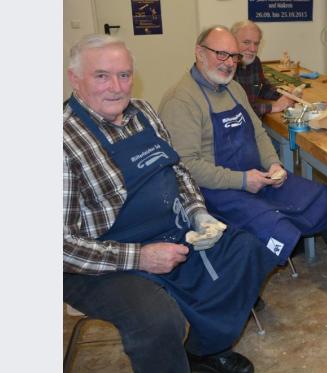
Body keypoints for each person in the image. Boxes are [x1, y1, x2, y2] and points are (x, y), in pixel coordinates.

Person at [64, 35, 275, 373]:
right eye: (101, 76)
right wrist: (141, 257)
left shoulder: (144, 113)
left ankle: (204, 349)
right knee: (159, 321)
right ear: (75, 79)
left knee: (248, 249)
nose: (117, 87)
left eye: (125, 75)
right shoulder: (62, 140)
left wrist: (197, 212)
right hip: (100, 262)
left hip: (171, 233)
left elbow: (178, 171)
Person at [159, 26, 327, 295]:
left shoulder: (233, 88)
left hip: (258, 178)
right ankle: (239, 296)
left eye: (234, 57)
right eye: (222, 54)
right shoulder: (181, 100)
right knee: (276, 229)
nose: (229, 63)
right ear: (199, 52)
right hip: (218, 192)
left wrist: (274, 164)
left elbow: (259, 133)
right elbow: (186, 166)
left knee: (324, 198)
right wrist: (241, 180)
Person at [231, 20, 296, 117]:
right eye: (246, 42)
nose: (253, 49)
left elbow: (263, 88)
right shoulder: (226, 67)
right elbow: (236, 110)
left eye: (256, 43)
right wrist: (274, 107)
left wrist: (286, 96)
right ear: (232, 42)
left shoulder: (254, 62)